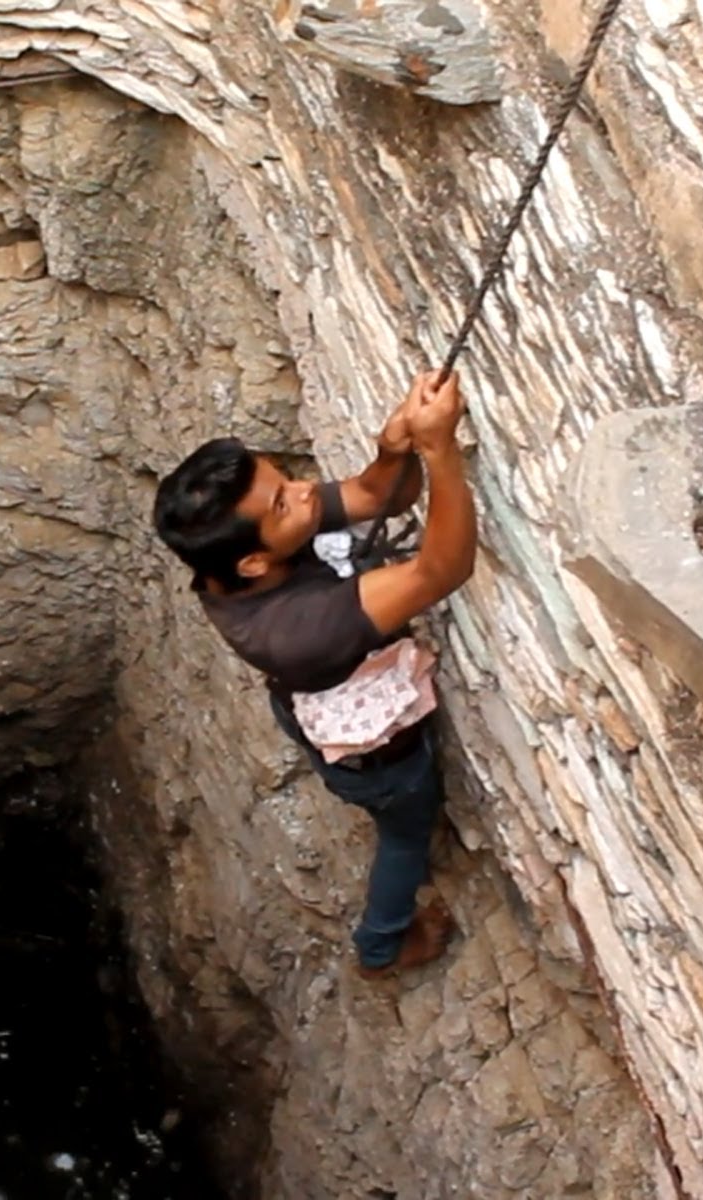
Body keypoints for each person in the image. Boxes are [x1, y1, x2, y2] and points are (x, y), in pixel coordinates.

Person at [152, 370, 475, 979]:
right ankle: (381, 949)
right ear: (253, 561)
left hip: (313, 700)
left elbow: (375, 497)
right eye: (282, 500)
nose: (304, 492)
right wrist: (441, 450)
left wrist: (396, 447)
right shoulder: (298, 630)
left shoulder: (239, 557)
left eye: (284, 478)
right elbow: (441, 568)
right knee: (406, 835)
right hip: (379, 760)